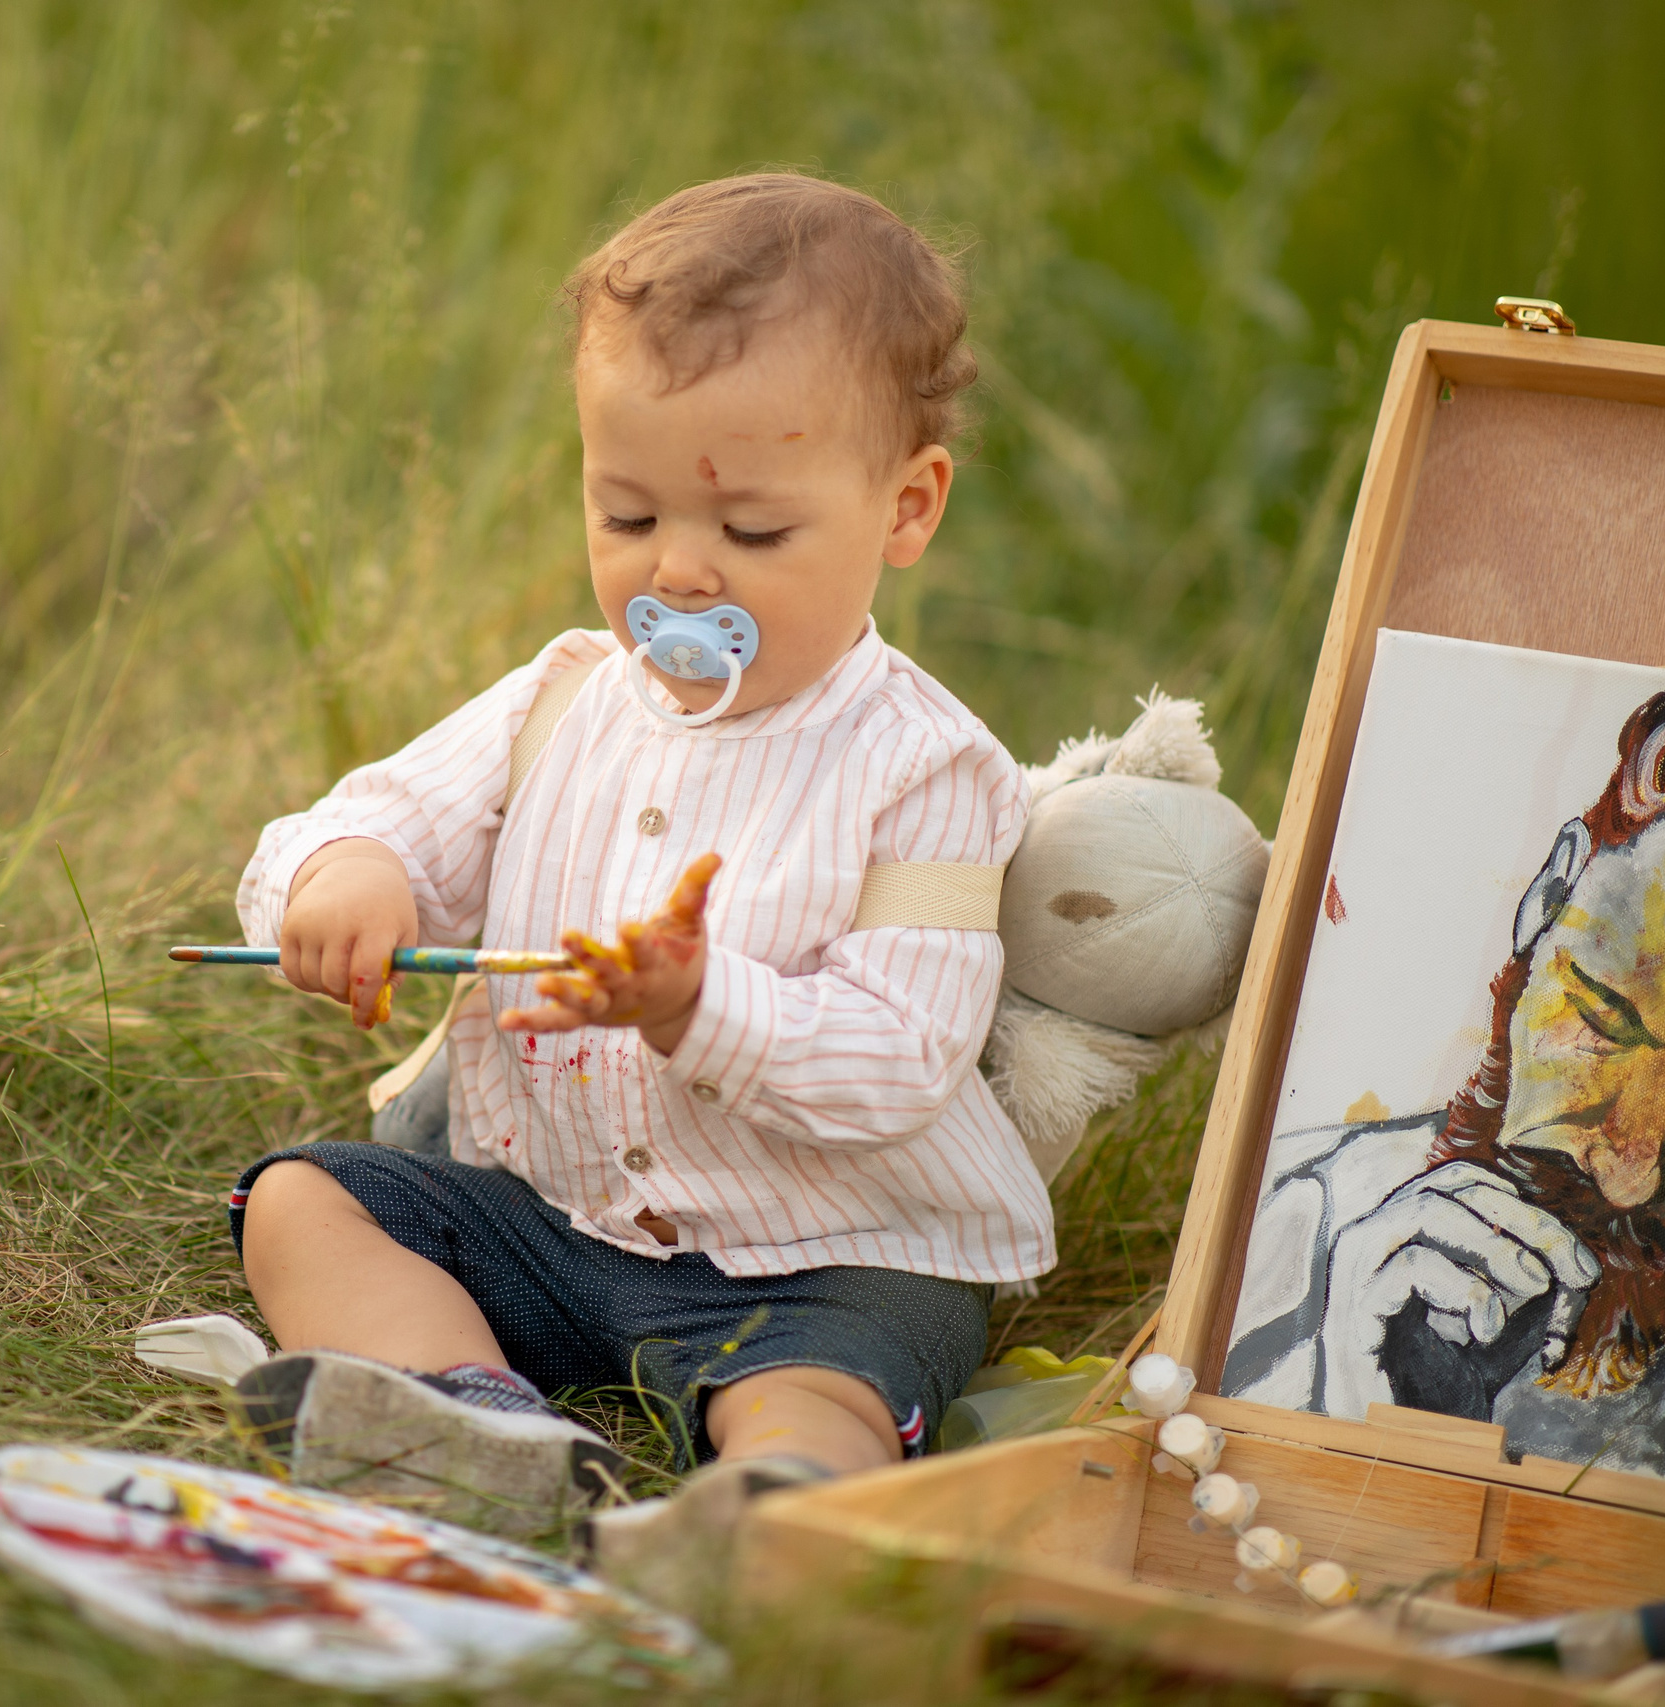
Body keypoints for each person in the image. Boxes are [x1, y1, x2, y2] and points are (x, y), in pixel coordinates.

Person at [224, 174, 1053, 1597]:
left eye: (752, 536)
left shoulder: (928, 770)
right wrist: (345, 873)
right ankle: (466, 1414)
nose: (678, 572)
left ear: (904, 508)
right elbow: (381, 815)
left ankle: (774, 1506)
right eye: (626, 515)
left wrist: (699, 1006)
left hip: (825, 1254)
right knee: (303, 1199)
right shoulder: (564, 698)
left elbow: (904, 1057)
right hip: (548, 1216)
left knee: (818, 1383)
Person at [1225, 681, 1665, 1491]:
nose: (1627, 1166)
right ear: (1547, 896)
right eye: (1604, 1021)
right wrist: (1351, 1400)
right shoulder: (1295, 1217)